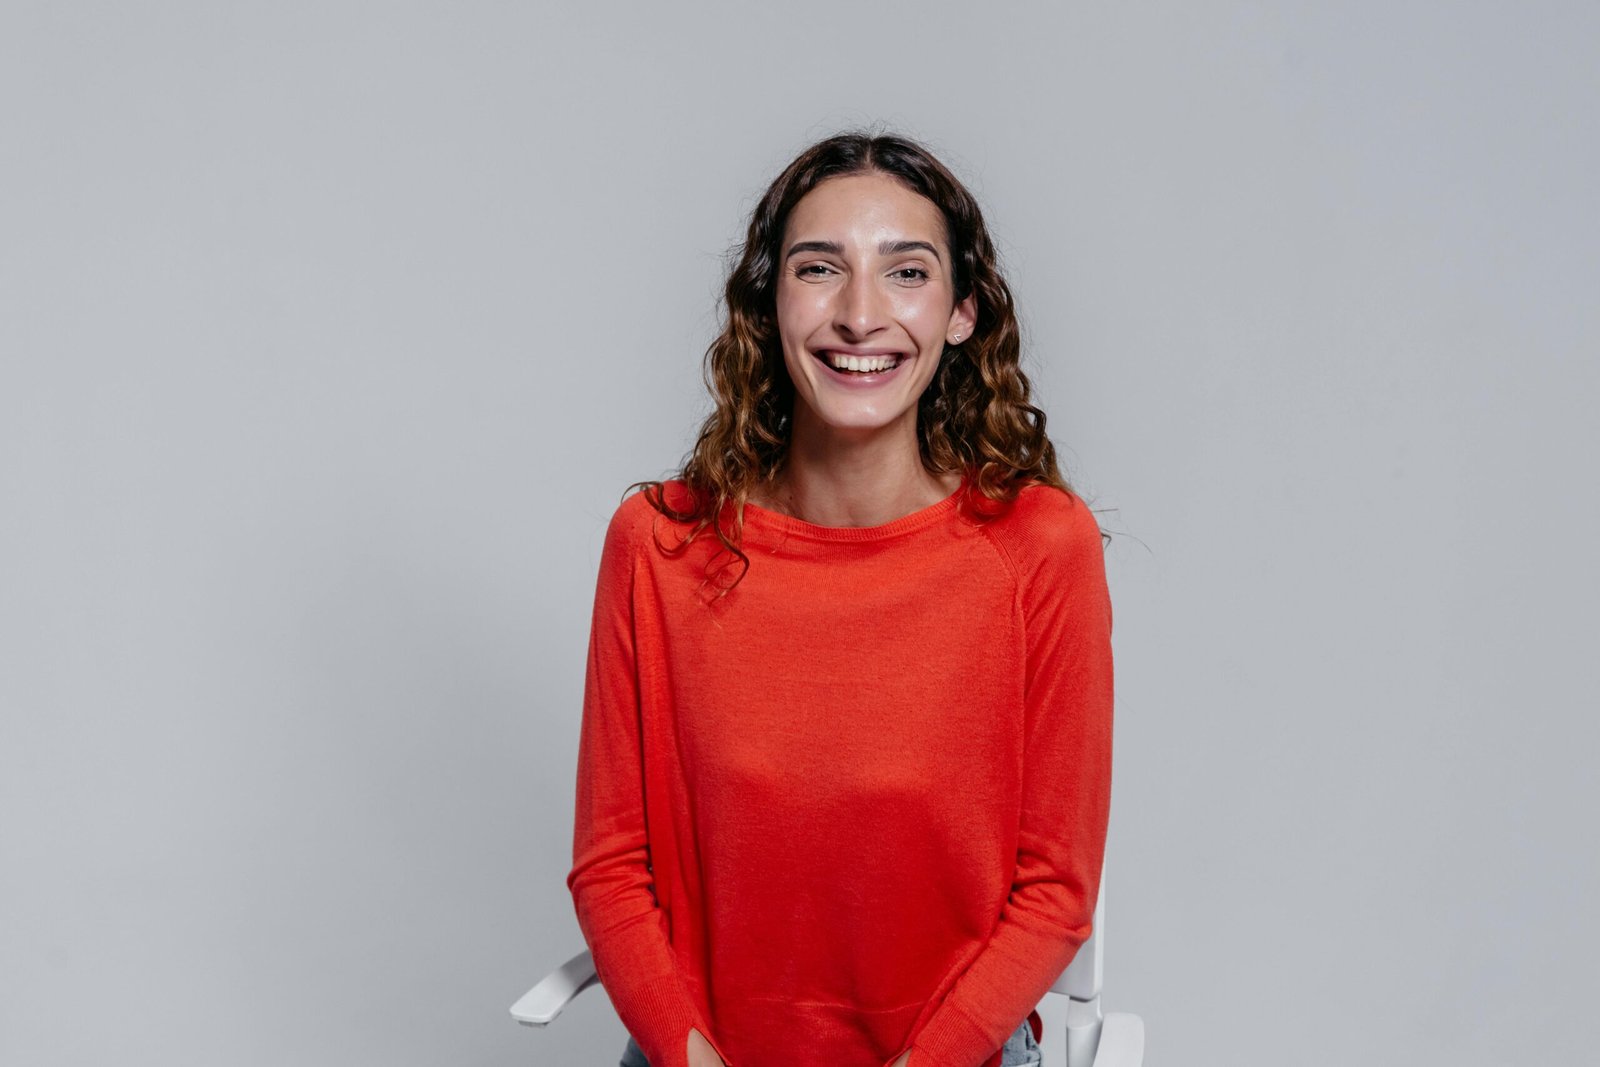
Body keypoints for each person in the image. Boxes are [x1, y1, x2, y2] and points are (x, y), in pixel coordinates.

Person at [566, 130, 1114, 1067]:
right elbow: (613, 867)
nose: (861, 315)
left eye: (907, 273)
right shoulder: (658, 545)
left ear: (961, 314)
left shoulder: (1039, 547)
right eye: (820, 268)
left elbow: (1055, 888)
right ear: (769, 302)